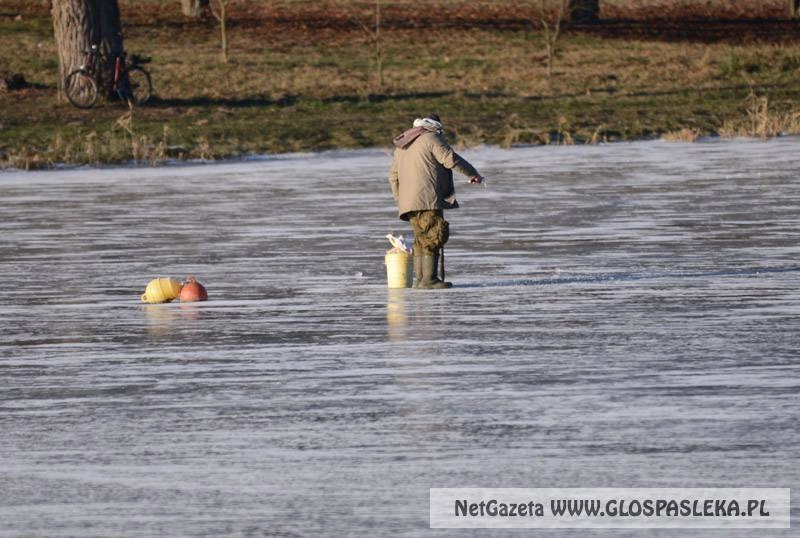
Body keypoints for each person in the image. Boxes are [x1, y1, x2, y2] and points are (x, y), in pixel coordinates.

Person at [388, 114, 484, 289]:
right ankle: (430, 280)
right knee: (434, 235)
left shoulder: (403, 144)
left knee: (420, 239)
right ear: (435, 126)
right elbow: (450, 159)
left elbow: (393, 176)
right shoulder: (431, 138)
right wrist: (473, 174)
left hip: (409, 203)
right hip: (427, 199)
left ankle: (421, 280)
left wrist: (400, 200)